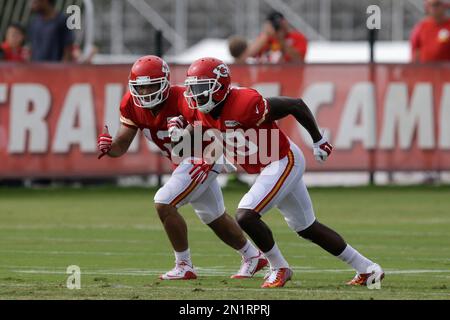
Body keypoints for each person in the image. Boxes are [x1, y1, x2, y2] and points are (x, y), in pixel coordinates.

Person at [172, 57, 384, 288]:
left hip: (283, 159)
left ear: (220, 86)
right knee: (307, 228)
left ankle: (279, 267)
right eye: (193, 88)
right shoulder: (195, 108)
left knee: (246, 214)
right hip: (266, 166)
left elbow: (296, 105)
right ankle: (368, 269)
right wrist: (180, 131)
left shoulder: (245, 103)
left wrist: (318, 139)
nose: (195, 94)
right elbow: (195, 134)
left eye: (202, 88)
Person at [97, 55, 267, 280]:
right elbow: (121, 145)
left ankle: (184, 264)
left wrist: (206, 154)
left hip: (203, 157)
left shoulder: (185, 99)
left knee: (164, 202)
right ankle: (253, 257)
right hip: (184, 161)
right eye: (142, 87)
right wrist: (110, 147)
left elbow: (218, 127)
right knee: (212, 216)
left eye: (152, 86)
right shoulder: (130, 103)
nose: (146, 93)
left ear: (165, 83)